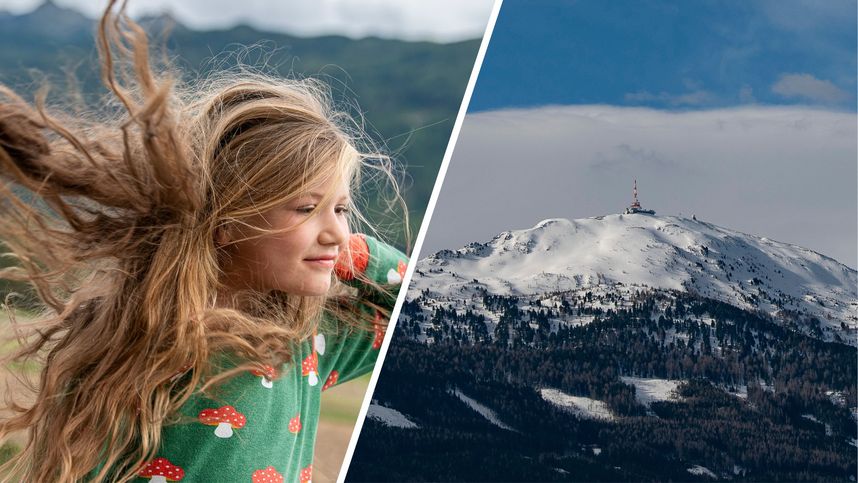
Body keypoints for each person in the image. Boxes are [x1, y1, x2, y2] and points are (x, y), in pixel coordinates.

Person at [0, 1, 408, 481]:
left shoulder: (302, 350)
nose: (336, 229)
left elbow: (414, 308)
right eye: (305, 208)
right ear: (227, 221)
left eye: (340, 208)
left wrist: (353, 253)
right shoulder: (142, 346)